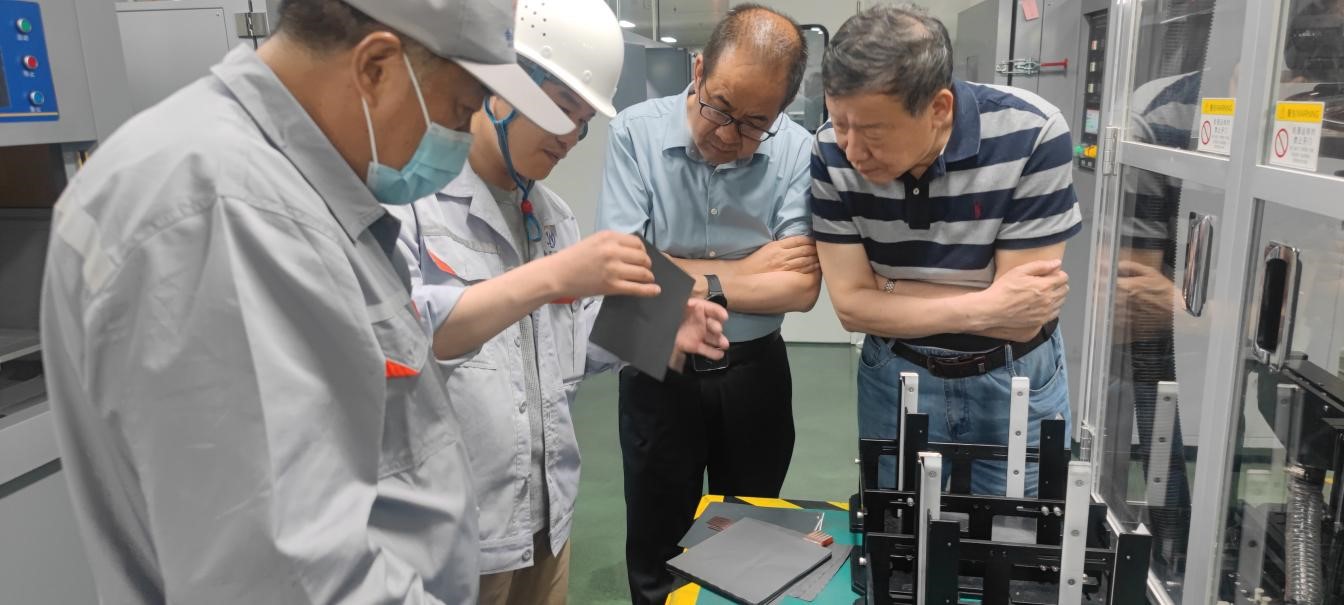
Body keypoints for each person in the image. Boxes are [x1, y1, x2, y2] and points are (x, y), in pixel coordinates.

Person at [38, 1, 577, 602]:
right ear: (376, 67)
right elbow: (290, 580)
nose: (459, 136)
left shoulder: (290, 188)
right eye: (460, 109)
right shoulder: (225, 214)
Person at [384, 1, 729, 603]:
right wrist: (548, 277)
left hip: (545, 522)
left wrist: (655, 332)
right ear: (499, 83)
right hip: (453, 537)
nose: (571, 136)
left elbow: (563, 348)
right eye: (562, 109)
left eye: (584, 120)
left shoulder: (551, 218)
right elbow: (410, 336)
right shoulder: (410, 201)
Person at [595, 5, 820, 603]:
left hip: (753, 370)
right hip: (655, 353)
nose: (726, 135)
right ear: (698, 71)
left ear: (781, 112)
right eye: (719, 107)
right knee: (656, 541)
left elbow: (800, 288)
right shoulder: (635, 134)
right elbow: (623, 272)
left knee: (751, 542)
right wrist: (746, 272)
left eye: (753, 124)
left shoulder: (798, 151)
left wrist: (678, 273)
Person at [812, 5, 1081, 495]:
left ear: (939, 108)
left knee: (1017, 534)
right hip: (897, 373)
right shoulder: (829, 148)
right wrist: (988, 302)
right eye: (839, 122)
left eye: (872, 133)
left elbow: (1022, 318)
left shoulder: (1031, 132)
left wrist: (888, 289)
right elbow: (851, 307)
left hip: (1014, 376)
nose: (851, 150)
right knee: (897, 529)